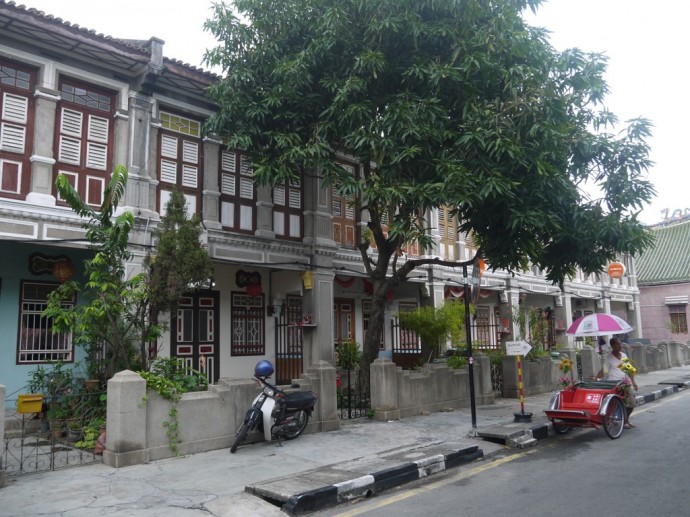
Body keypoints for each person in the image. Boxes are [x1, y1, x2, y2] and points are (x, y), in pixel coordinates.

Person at [595, 337, 638, 428]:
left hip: (625, 383)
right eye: (618, 344)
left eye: (620, 344)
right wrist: (595, 378)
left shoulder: (624, 355)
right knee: (615, 404)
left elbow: (629, 369)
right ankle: (618, 420)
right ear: (613, 346)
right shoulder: (609, 358)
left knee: (631, 403)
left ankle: (626, 420)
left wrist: (633, 382)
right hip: (614, 384)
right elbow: (604, 371)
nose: (620, 346)